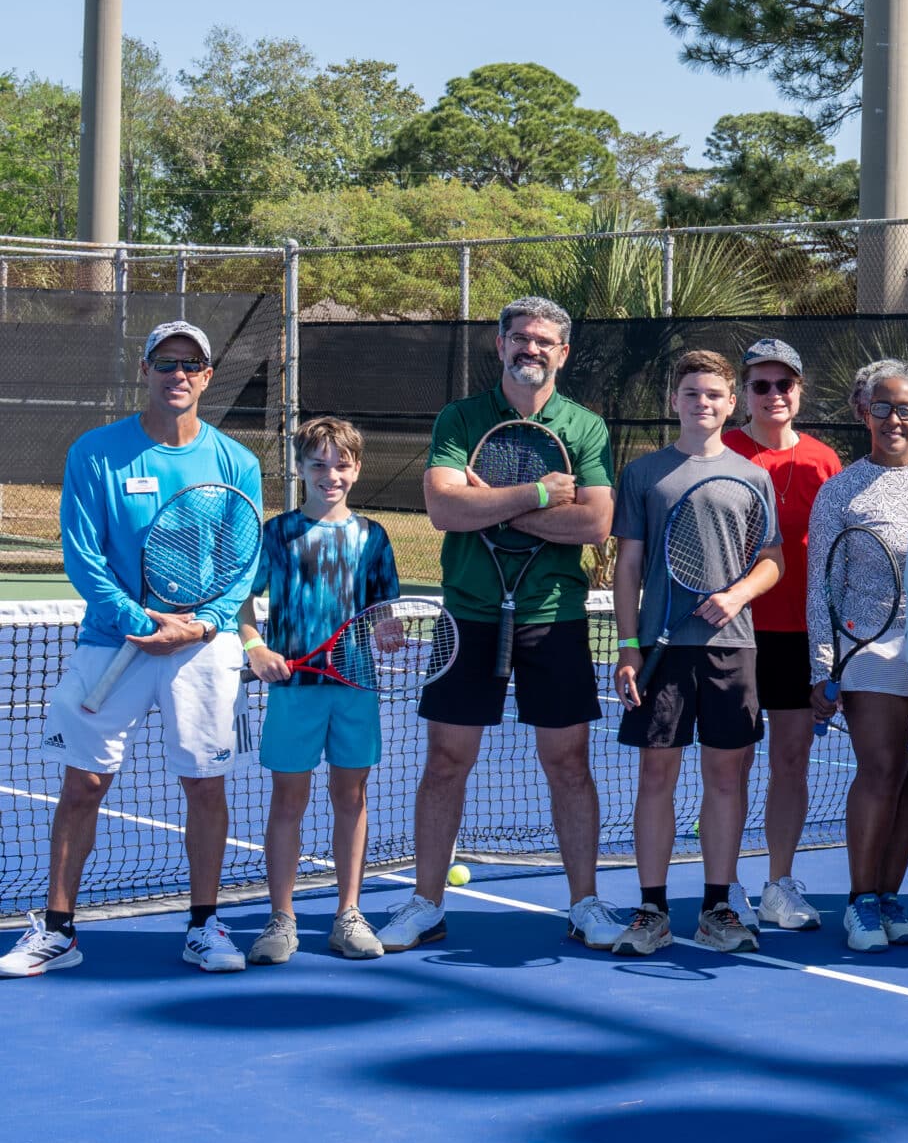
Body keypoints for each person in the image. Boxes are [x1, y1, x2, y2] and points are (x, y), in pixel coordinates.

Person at [5, 321, 265, 978]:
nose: (178, 374)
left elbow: (241, 564)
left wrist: (200, 626)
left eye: (191, 365)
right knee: (83, 784)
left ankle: (205, 926)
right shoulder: (95, 452)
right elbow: (82, 554)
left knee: (205, 786)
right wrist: (138, 619)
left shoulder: (237, 462)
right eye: (166, 362)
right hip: (110, 643)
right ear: (145, 370)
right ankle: (58, 930)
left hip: (201, 651)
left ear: (207, 377)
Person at [383, 296, 616, 955]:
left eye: (543, 341)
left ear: (562, 353)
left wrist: (487, 503)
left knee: (568, 763)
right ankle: (426, 904)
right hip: (468, 615)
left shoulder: (585, 427)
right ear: (501, 344)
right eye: (520, 337)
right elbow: (444, 509)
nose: (530, 349)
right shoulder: (460, 418)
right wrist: (539, 494)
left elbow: (595, 523)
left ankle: (585, 904)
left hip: (554, 615)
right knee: (445, 762)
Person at [608, 351, 783, 957]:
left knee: (726, 777)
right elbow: (628, 565)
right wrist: (627, 645)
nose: (701, 403)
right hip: (661, 652)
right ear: (674, 401)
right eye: (690, 393)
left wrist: (737, 595)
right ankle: (651, 910)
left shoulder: (753, 476)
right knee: (656, 775)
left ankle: (716, 908)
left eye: (713, 394)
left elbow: (772, 561)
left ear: (731, 403)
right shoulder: (643, 474)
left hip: (733, 649)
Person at [239, 417, 405, 963]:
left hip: (355, 685)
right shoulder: (277, 533)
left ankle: (348, 915)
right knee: (289, 799)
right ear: (299, 468)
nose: (329, 475)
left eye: (341, 465)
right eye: (318, 464)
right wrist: (255, 648)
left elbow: (384, 612)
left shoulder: (373, 538)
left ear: (357, 470)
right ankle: (281, 919)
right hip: (294, 688)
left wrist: (388, 630)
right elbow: (242, 603)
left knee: (351, 797)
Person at [807, 359, 908, 952]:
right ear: (864, 412)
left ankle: (889, 896)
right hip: (868, 649)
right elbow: (822, 587)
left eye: (906, 409)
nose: (893, 420)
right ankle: (860, 903)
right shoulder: (840, 491)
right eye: (882, 407)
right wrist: (823, 666)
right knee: (882, 768)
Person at [722, 336, 841, 933]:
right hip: (734, 631)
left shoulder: (825, 461)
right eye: (761, 385)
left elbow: (838, 556)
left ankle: (780, 883)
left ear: (799, 391)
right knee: (733, 763)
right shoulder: (722, 451)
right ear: (744, 393)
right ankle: (725, 885)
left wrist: (834, 650)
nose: (774, 394)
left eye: (784, 384)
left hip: (802, 636)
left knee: (791, 760)